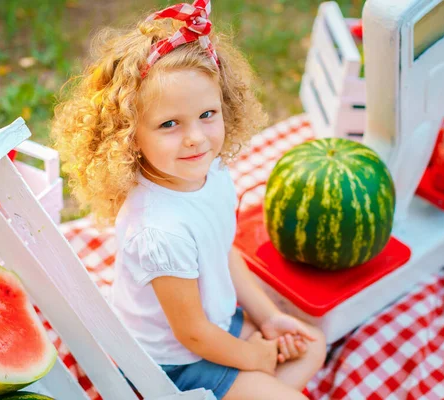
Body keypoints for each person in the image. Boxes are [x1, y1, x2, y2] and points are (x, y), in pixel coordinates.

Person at [51, 1, 326, 398]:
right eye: (169, 124)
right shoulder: (159, 230)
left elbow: (222, 250)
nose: (195, 137)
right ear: (129, 135)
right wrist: (254, 359)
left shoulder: (208, 172)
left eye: (207, 114)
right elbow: (192, 334)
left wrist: (269, 317)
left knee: (311, 344)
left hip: (217, 322)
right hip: (175, 363)